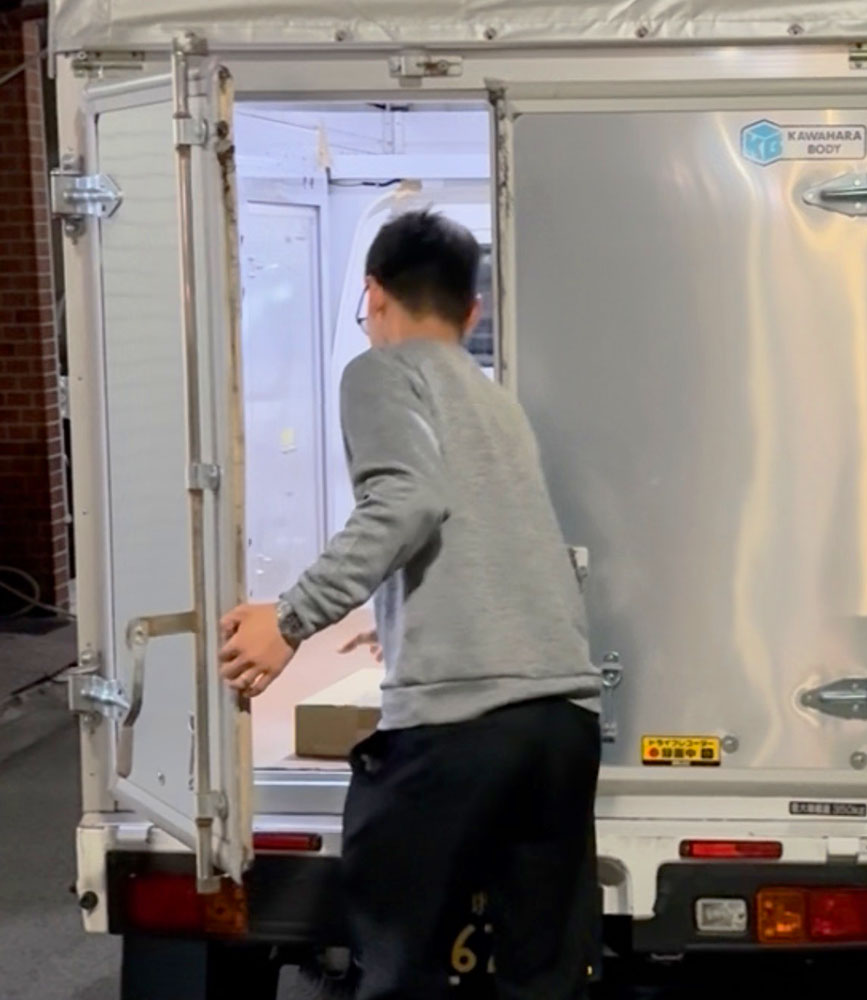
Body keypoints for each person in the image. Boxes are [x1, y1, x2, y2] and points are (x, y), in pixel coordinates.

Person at [219, 210, 603, 1000]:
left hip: (459, 731)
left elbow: (408, 501)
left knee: (403, 972)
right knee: (545, 979)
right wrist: (394, 622)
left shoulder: (381, 372)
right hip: (559, 725)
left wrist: (288, 620)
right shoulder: (495, 401)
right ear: (473, 311)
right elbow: (482, 537)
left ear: (373, 296)